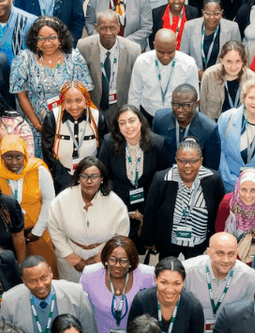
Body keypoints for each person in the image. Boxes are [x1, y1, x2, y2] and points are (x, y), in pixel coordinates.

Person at [12, 16, 92, 151]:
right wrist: (38, 126)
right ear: (34, 40)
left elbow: (85, 92)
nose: (47, 42)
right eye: (41, 38)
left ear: (60, 37)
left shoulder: (74, 57)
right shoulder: (24, 59)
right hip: (37, 127)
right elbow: (21, 95)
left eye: (52, 37)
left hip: (71, 125)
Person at [47, 156, 131, 282]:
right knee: (72, 293)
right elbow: (53, 227)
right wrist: (72, 257)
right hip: (69, 256)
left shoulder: (116, 204)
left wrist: (99, 258)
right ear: (78, 178)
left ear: (102, 179)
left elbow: (121, 236)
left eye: (94, 176)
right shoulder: (62, 199)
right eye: (84, 176)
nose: (89, 181)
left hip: (104, 256)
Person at [140, 139, 224, 260]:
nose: (187, 166)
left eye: (193, 161)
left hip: (199, 243)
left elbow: (219, 214)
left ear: (201, 161)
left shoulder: (213, 180)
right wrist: (148, 240)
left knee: (194, 276)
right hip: (168, 242)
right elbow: (150, 211)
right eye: (182, 161)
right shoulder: (161, 179)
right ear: (176, 160)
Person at [1, 255, 97, 333]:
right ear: (24, 281)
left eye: (44, 278)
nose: (40, 285)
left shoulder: (76, 293)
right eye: (32, 281)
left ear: (51, 272)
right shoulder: (9, 300)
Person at [97, 105, 170, 237]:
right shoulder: (109, 142)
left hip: (148, 208)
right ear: (118, 126)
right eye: (122, 123)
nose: (128, 126)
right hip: (117, 207)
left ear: (141, 121)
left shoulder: (158, 144)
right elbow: (103, 177)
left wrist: (144, 210)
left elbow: (161, 183)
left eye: (132, 120)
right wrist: (116, 207)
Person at [183, 232, 255, 333]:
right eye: (220, 253)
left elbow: (248, 314)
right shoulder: (187, 271)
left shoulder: (249, 277)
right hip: (192, 331)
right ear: (208, 252)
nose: (226, 260)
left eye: (231, 254)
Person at [82, 236, 156, 333]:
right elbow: (85, 313)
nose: (117, 265)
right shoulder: (90, 275)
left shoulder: (147, 275)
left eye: (123, 260)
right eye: (112, 259)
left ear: (131, 261)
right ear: (105, 258)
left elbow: (152, 311)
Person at [0, 134, 55, 263]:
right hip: (7, 235)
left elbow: (49, 202)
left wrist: (37, 231)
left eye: (18, 157)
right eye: (8, 157)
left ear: (25, 155)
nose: (14, 162)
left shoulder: (38, 169)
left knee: (42, 270)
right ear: (1, 157)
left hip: (37, 231)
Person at [126, 257, 204, 333]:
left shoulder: (194, 307)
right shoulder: (141, 300)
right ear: (155, 279)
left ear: (183, 282)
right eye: (164, 282)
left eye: (176, 284)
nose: (170, 290)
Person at [126, 27, 200, 121]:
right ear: (154, 45)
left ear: (176, 45)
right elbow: (134, 95)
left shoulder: (189, 64)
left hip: (177, 117)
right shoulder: (142, 61)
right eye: (161, 52)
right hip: (147, 115)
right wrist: (133, 120)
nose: (166, 57)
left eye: (170, 52)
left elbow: (194, 98)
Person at [39, 81, 105, 186]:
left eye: (79, 100)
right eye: (68, 101)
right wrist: (65, 180)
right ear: (63, 102)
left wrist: (92, 176)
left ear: (86, 101)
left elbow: (103, 152)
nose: (74, 107)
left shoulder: (97, 117)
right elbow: (48, 153)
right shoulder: (52, 118)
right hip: (61, 180)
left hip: (91, 180)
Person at [79, 8, 143, 112]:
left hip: (121, 106)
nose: (108, 33)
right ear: (96, 28)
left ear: (119, 27)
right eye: (103, 28)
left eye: (113, 28)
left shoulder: (133, 50)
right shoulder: (83, 46)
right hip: (93, 107)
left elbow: (137, 84)